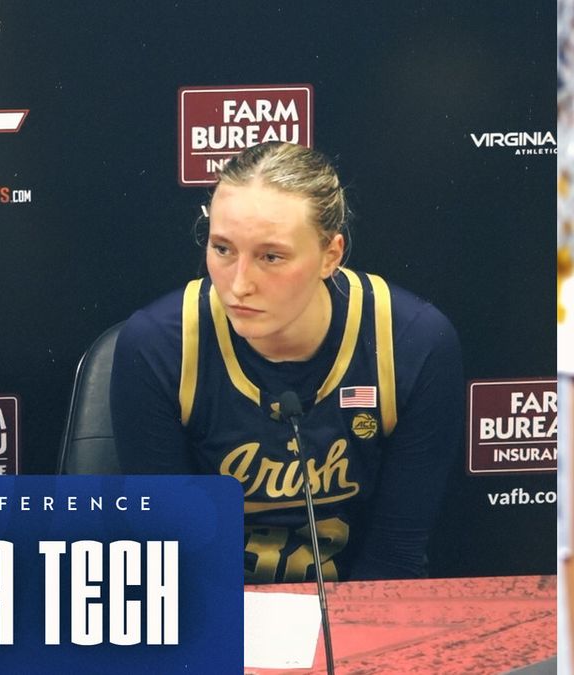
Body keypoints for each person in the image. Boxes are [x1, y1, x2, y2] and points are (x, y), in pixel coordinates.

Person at [111, 141, 462, 583]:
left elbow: (396, 555)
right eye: (222, 249)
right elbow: (173, 556)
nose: (239, 284)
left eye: (270, 257)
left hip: (361, 613)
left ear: (330, 256)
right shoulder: (158, 347)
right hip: (213, 611)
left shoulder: (412, 342)